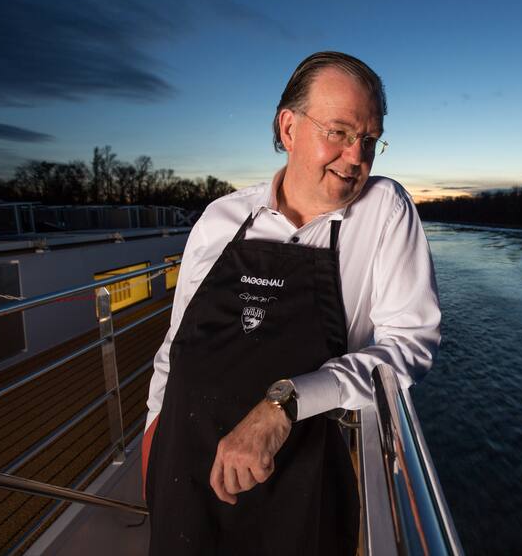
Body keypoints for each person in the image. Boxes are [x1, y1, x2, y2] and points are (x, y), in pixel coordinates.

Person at [141, 51, 441, 555]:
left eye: (369, 140)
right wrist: (154, 436)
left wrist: (286, 402)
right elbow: (177, 347)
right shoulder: (222, 217)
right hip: (183, 466)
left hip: (299, 483)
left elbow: (409, 348)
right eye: (340, 132)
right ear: (288, 128)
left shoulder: (384, 210)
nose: (356, 157)